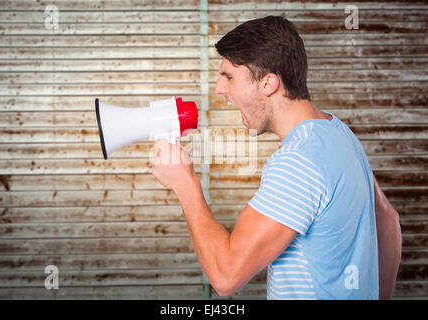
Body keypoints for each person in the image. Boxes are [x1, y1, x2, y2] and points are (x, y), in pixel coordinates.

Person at [152, 16, 401, 299]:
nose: (220, 89)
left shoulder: (298, 162)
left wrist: (186, 185)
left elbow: (225, 275)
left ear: (268, 83)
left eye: (229, 77)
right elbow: (387, 220)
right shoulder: (337, 131)